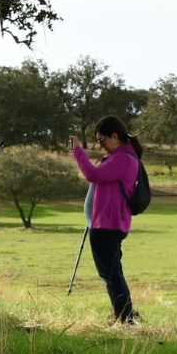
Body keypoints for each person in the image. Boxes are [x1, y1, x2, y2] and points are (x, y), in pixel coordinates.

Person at [69, 115, 143, 324]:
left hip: (108, 225)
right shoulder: (120, 157)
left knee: (110, 275)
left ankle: (124, 320)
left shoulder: (123, 159)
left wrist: (77, 150)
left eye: (102, 140)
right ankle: (123, 316)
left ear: (115, 137)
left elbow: (92, 174)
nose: (100, 145)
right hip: (108, 223)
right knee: (113, 273)